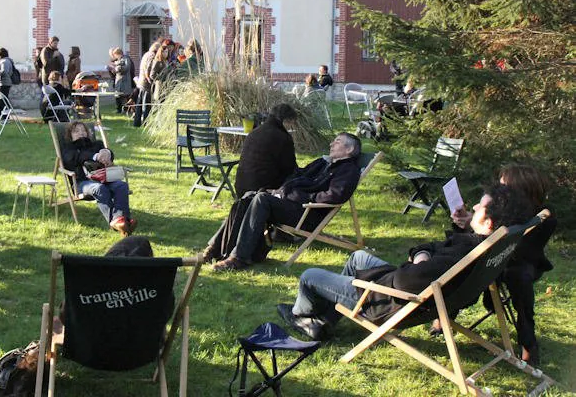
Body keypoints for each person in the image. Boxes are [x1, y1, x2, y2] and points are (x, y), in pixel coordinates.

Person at [276, 184, 535, 341]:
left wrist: (419, 260)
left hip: (384, 300)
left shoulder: (461, 254)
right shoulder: (485, 248)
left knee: (309, 276)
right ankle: (326, 319)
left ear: (489, 223)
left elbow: (405, 279)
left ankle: (303, 316)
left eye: (480, 207)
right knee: (357, 257)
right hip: (401, 289)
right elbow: (431, 250)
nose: (475, 206)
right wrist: (423, 253)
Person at [208, 133, 362, 271]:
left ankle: (239, 258)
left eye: (337, 141)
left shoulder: (348, 170)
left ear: (349, 149)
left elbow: (335, 195)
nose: (331, 144)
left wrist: (299, 196)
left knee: (261, 200)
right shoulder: (323, 163)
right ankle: (215, 248)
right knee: (249, 196)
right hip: (292, 205)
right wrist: (280, 190)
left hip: (307, 214)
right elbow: (298, 174)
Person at [449, 163, 555, 365]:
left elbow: (521, 249)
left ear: (520, 190)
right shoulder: (505, 206)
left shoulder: (545, 217)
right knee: (468, 262)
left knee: (519, 276)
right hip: (492, 255)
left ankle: (528, 341)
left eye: (504, 185)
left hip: (523, 260)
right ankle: (446, 312)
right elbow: (490, 233)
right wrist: (470, 222)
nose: (499, 188)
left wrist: (483, 230)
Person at [60, 121, 135, 235]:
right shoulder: (68, 149)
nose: (81, 133)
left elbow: (109, 154)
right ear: (70, 136)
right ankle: (119, 223)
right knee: (99, 188)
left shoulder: (96, 144)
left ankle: (122, 219)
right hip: (82, 183)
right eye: (76, 131)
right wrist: (95, 156)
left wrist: (107, 153)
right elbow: (77, 157)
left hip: (105, 178)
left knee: (121, 185)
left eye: (83, 130)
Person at [233, 103, 298, 199]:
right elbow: (289, 168)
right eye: (292, 123)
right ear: (286, 121)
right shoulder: (283, 138)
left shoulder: (254, 132)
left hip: (241, 186)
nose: (291, 127)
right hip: (262, 190)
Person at [133, 39, 162, 127]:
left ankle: (137, 122)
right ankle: (146, 123)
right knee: (146, 105)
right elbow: (148, 69)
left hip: (141, 83)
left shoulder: (146, 54)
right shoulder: (152, 55)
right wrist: (150, 79)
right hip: (146, 84)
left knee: (139, 104)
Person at [111, 47, 135, 113]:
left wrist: (118, 68)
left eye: (115, 55)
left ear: (118, 53)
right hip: (119, 80)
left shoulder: (126, 59)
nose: (115, 56)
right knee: (117, 95)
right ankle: (118, 109)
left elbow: (127, 68)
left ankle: (127, 109)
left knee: (126, 96)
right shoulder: (118, 60)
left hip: (125, 80)